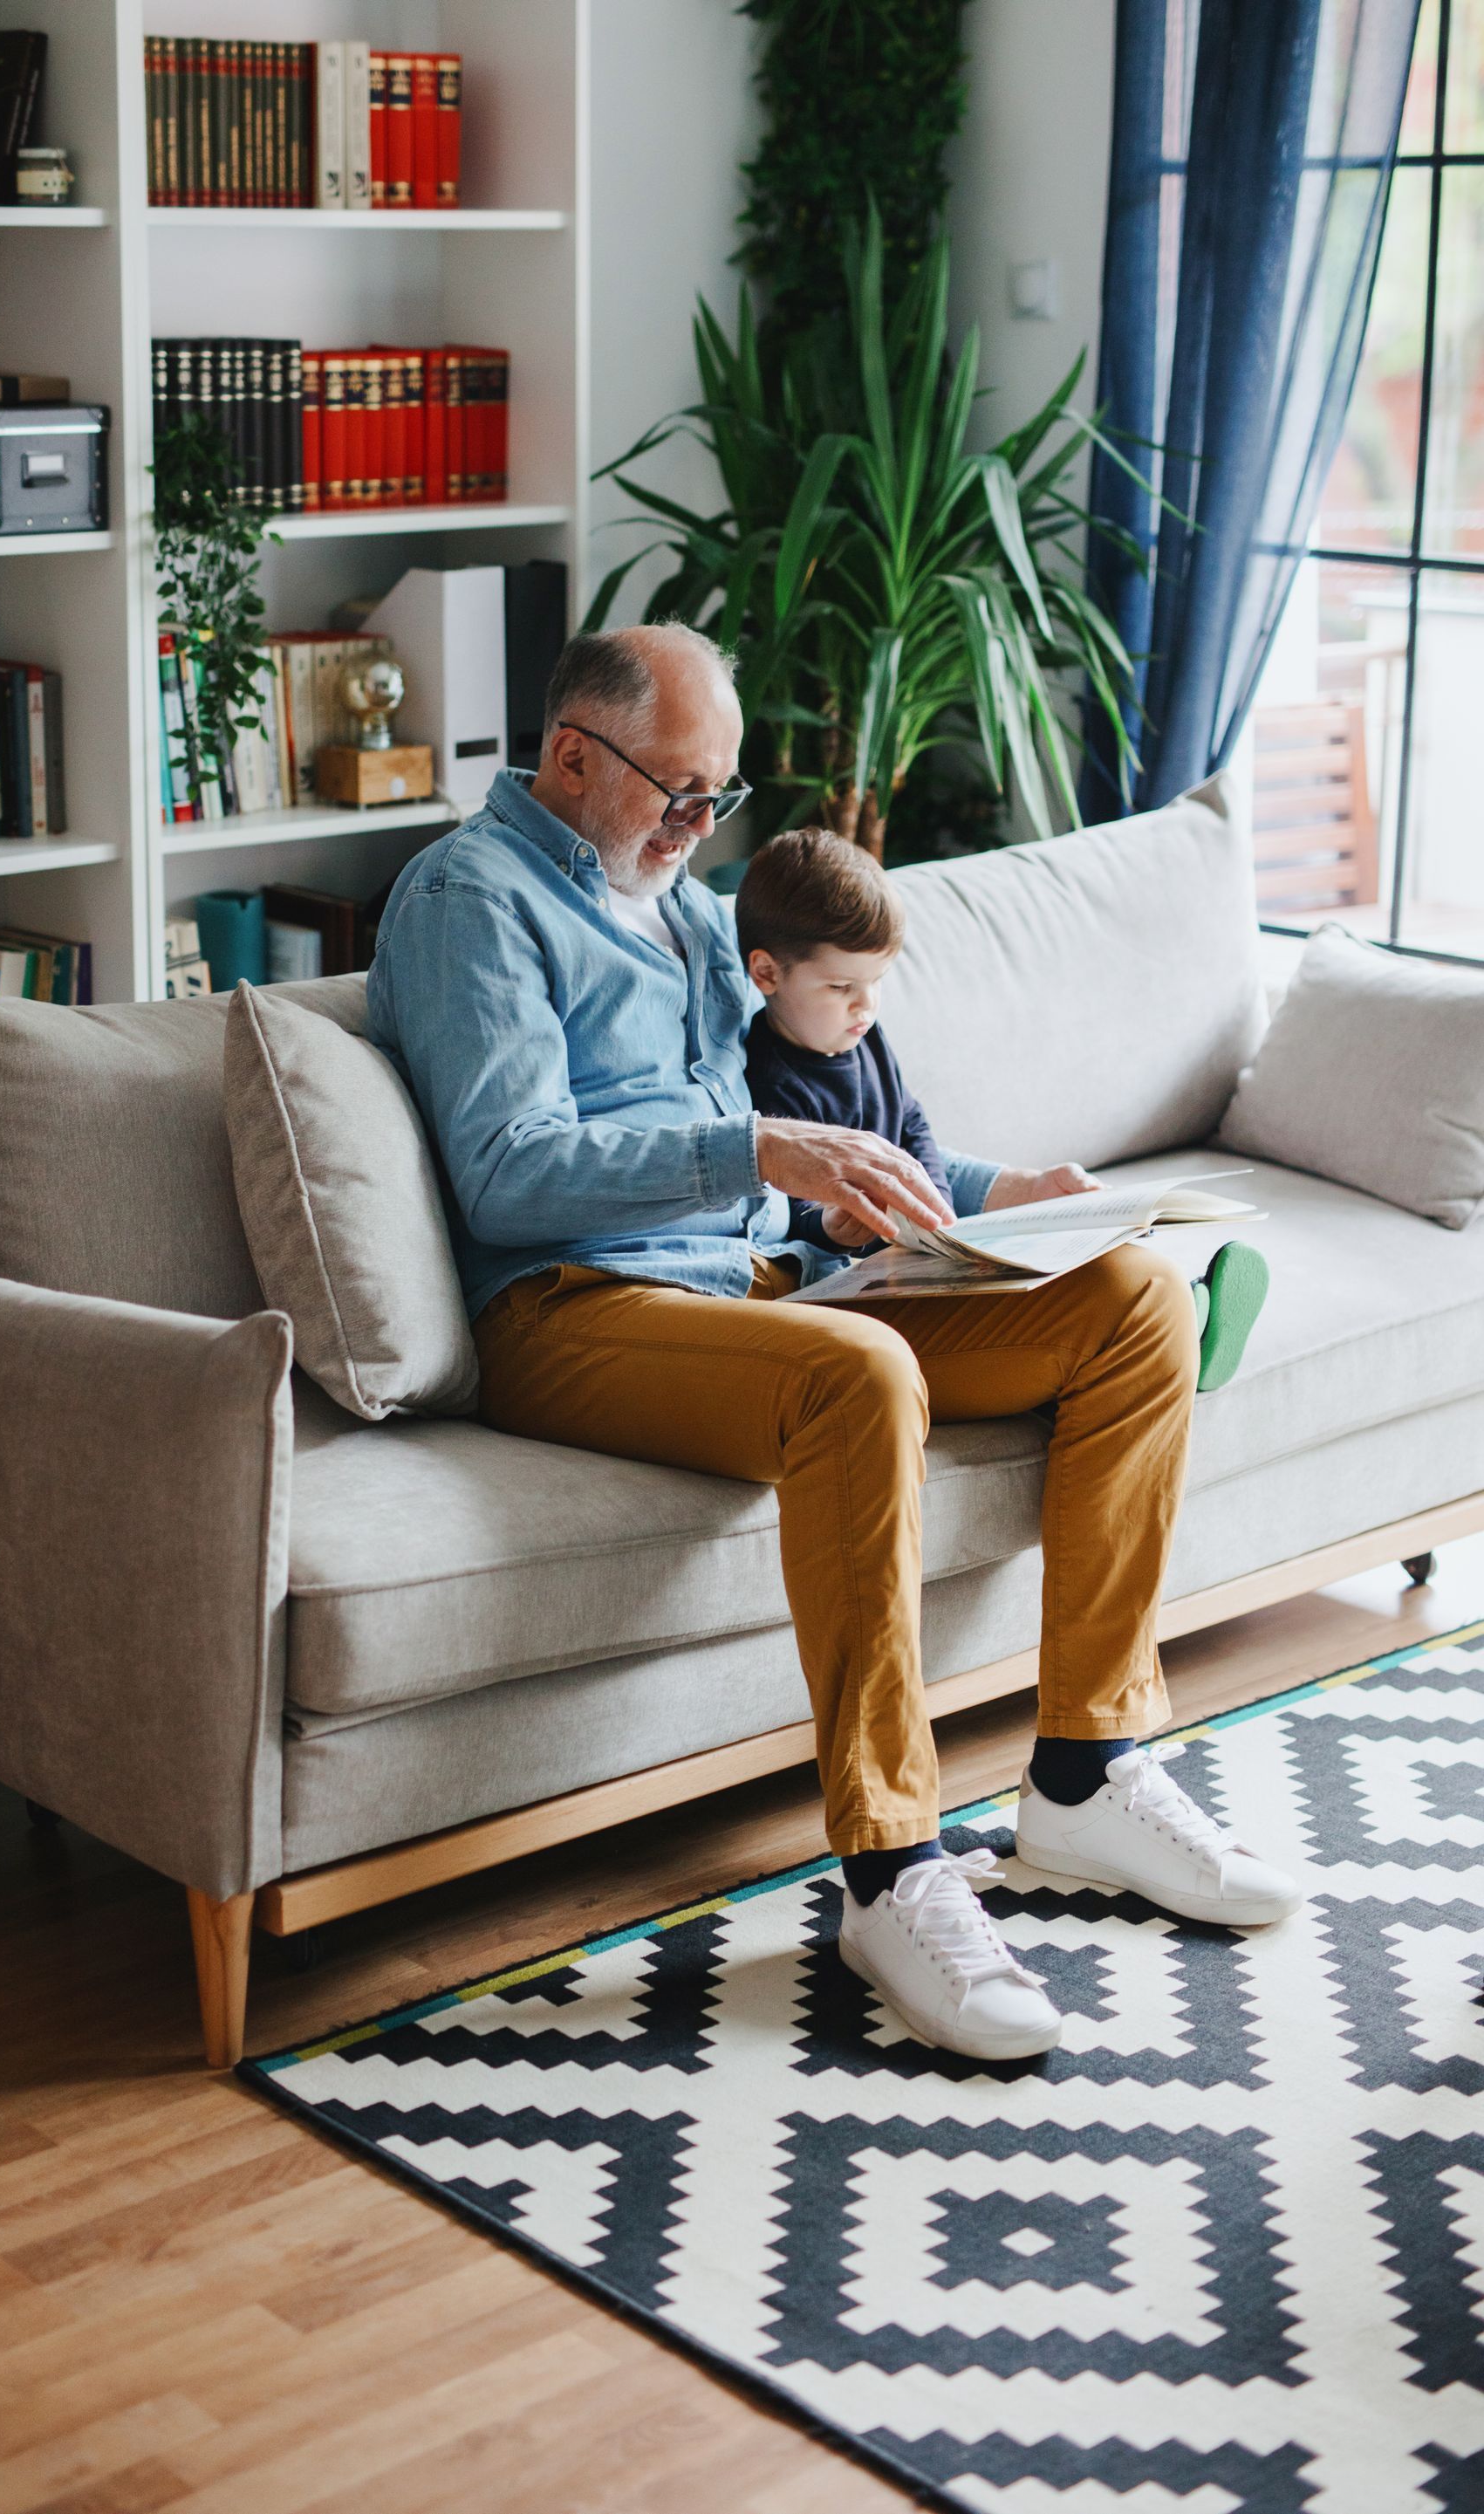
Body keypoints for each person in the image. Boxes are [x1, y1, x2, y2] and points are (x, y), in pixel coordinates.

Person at [365, 622, 1302, 2066]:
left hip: (744, 1290)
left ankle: (1086, 1772)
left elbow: (826, 1136)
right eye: (678, 791)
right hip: (565, 1311)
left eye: (717, 798)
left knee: (1135, 1302)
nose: (698, 826)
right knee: (863, 1374)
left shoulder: (678, 901)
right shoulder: (470, 900)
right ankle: (891, 1869)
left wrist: (999, 1194)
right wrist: (750, 1146)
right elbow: (506, 1168)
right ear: (567, 755)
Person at [735, 826, 1273, 1395]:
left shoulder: (863, 1039)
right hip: (857, 1282)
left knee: (1056, 1258)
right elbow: (782, 1208)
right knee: (1026, 1317)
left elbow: (911, 1126)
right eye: (843, 985)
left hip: (923, 1251)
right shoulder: (766, 1080)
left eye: (878, 981)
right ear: (767, 973)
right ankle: (1175, 1335)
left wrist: (941, 1216)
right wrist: (833, 1228)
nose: (866, 1004)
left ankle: (1184, 1316)